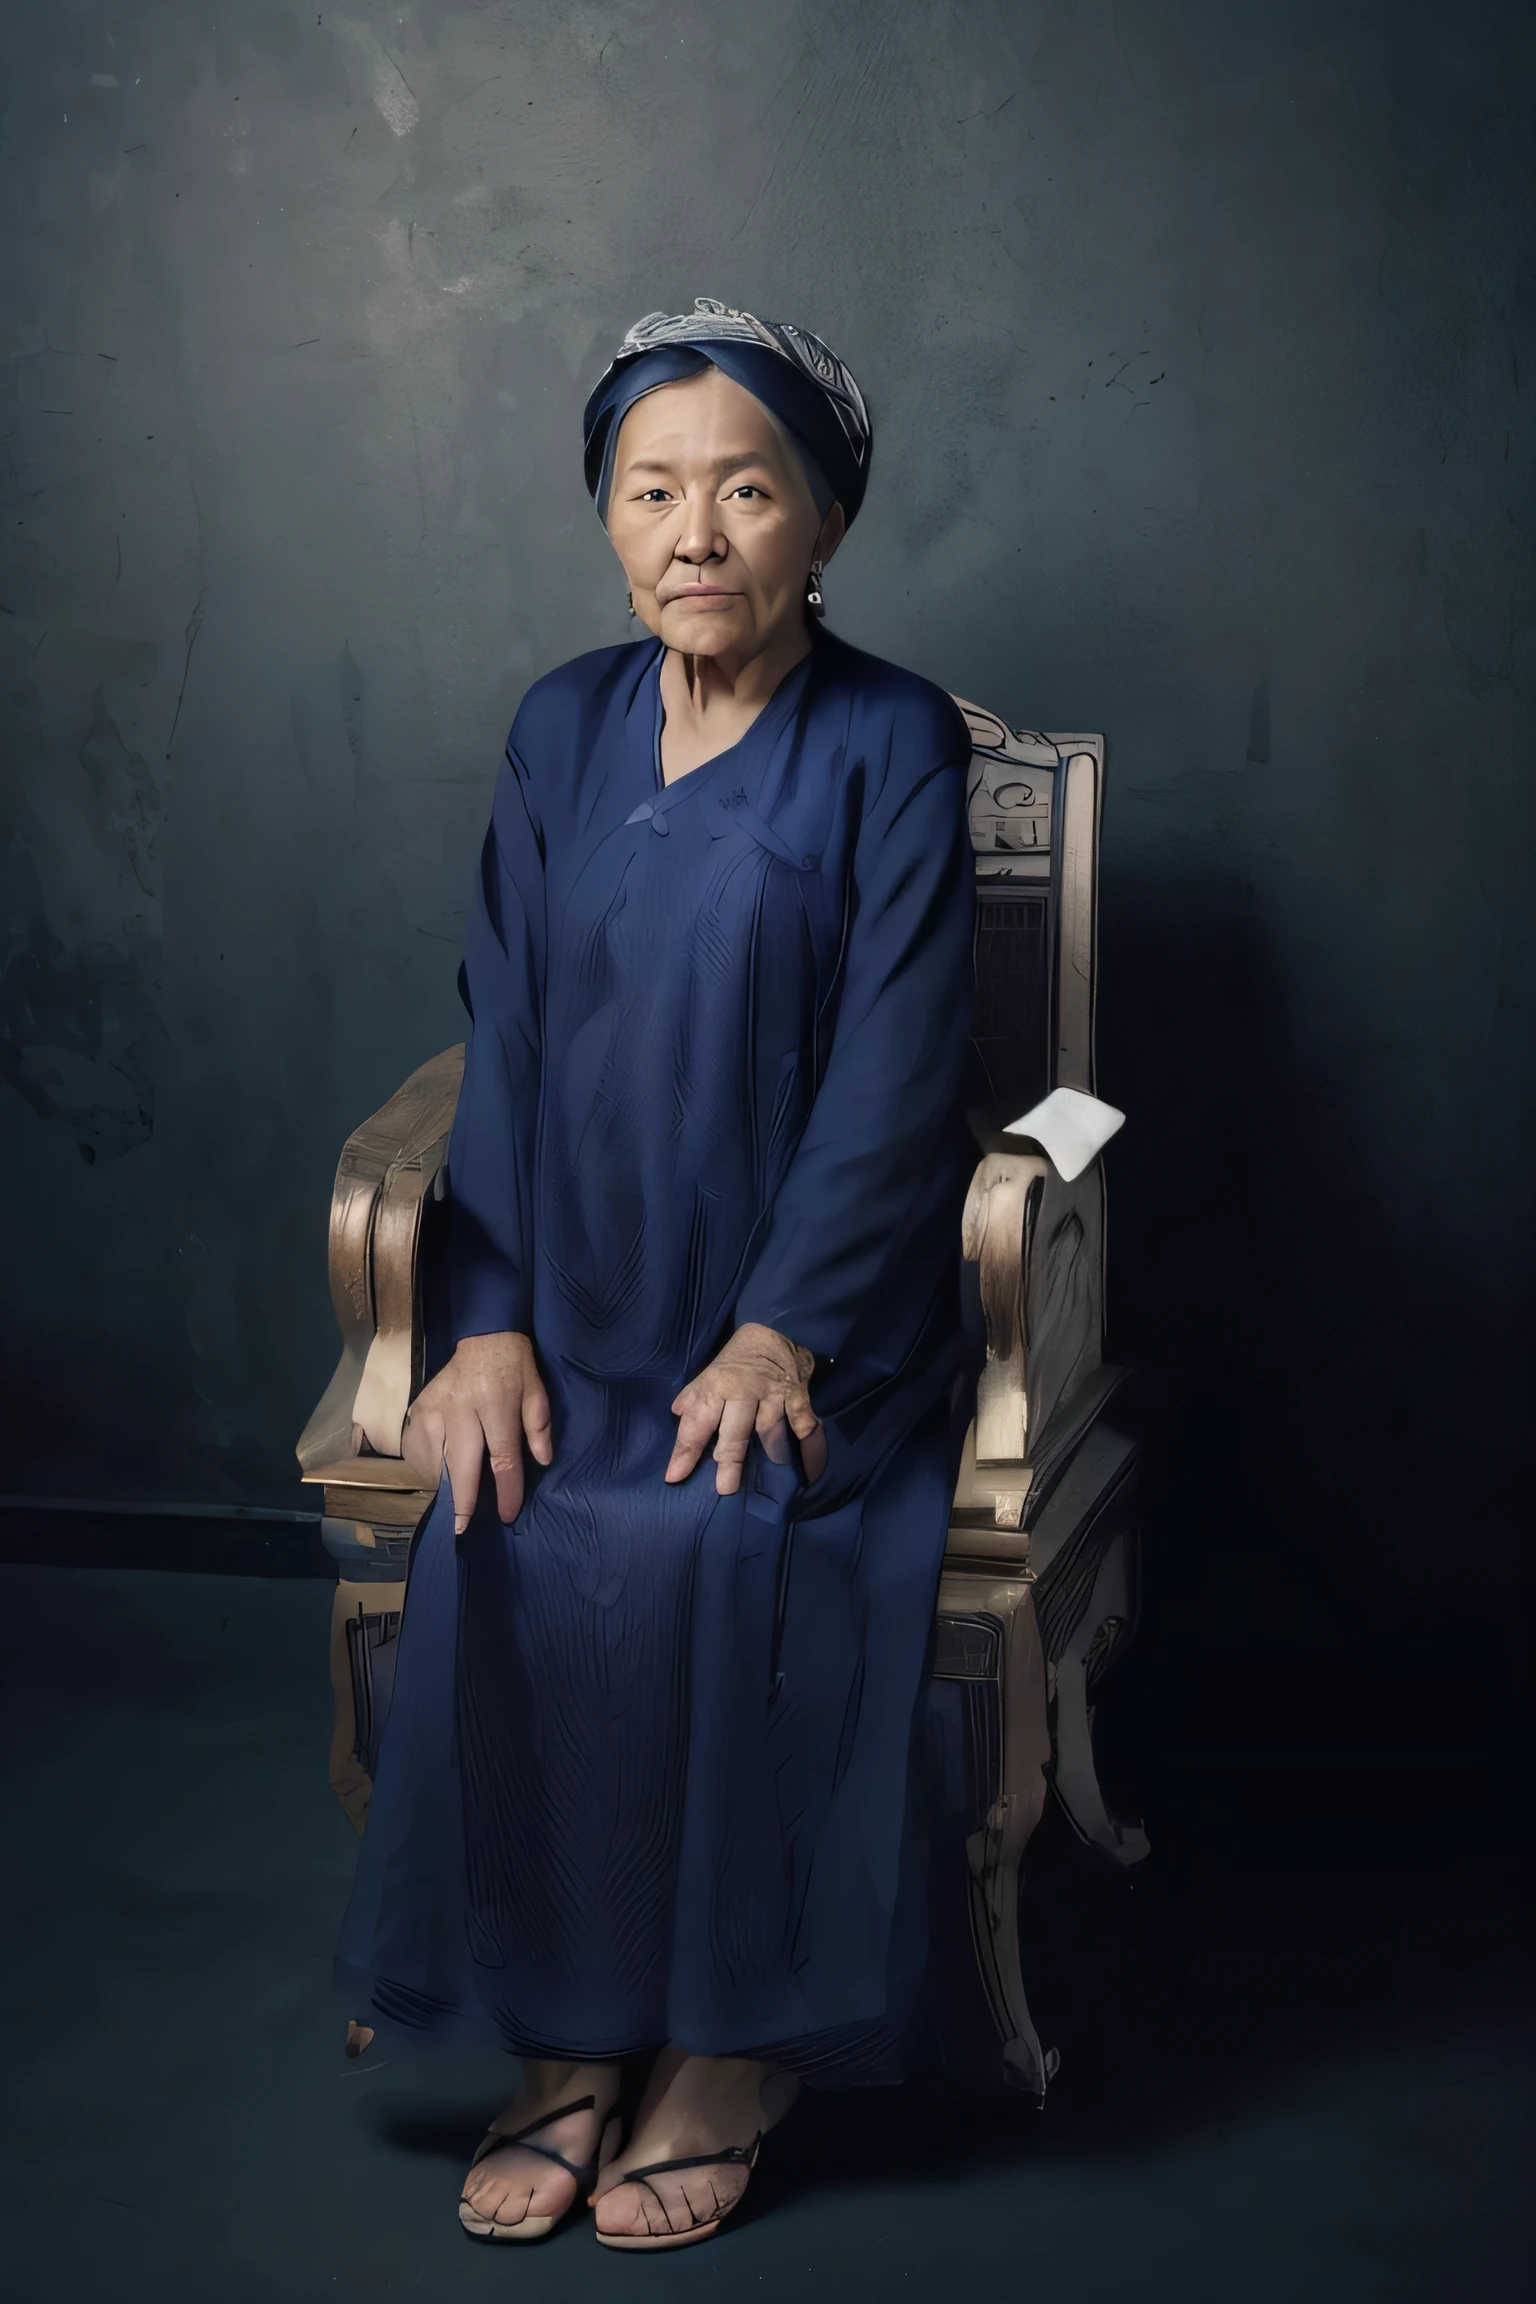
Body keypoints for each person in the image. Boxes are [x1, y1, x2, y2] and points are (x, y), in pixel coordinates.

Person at [335, 297, 978, 2252]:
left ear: (826, 523)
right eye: (653, 490)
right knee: (505, 1517)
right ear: (609, 521)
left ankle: (731, 2049)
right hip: (577, 1289)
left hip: (811, 1310)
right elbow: (504, 1035)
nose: (696, 532)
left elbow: (896, 1065)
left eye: (748, 490)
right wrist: (491, 1318)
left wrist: (785, 1323)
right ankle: (577, 2035)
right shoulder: (559, 725)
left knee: (714, 1531)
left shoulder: (893, 742)